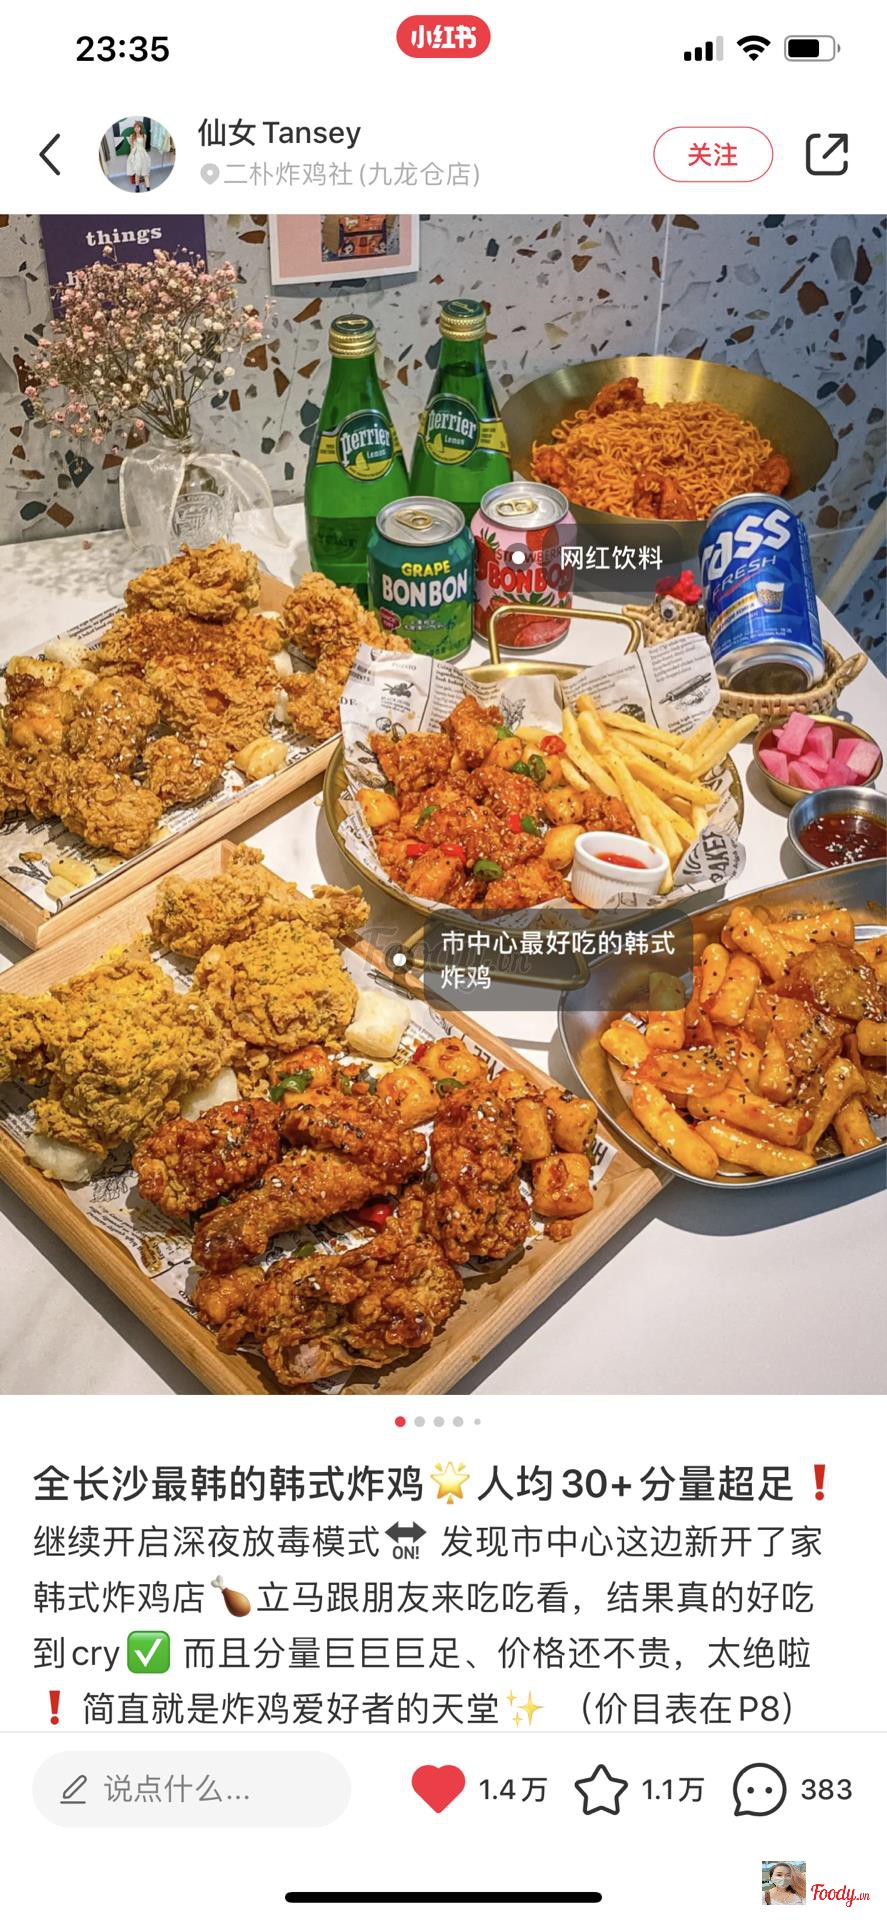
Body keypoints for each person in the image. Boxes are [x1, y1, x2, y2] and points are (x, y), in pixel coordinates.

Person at [129, 121, 150, 193]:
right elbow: (131, 147)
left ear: (140, 128)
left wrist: (145, 155)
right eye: (135, 127)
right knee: (137, 172)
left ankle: (148, 187)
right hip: (136, 155)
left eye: (138, 127)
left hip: (143, 155)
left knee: (145, 171)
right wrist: (132, 156)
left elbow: (144, 146)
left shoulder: (144, 136)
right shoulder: (132, 136)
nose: (136, 128)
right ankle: (137, 186)